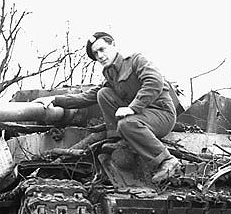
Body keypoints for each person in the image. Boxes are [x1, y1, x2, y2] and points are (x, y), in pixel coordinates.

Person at [48, 32, 180, 183]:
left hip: (161, 114)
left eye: (102, 49)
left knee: (127, 123)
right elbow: (86, 97)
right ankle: (117, 138)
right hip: (142, 116)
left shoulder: (136, 60)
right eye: (96, 54)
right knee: (103, 94)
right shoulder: (110, 75)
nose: (100, 56)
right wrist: (54, 100)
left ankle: (167, 160)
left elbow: (154, 82)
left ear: (113, 45)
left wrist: (133, 108)